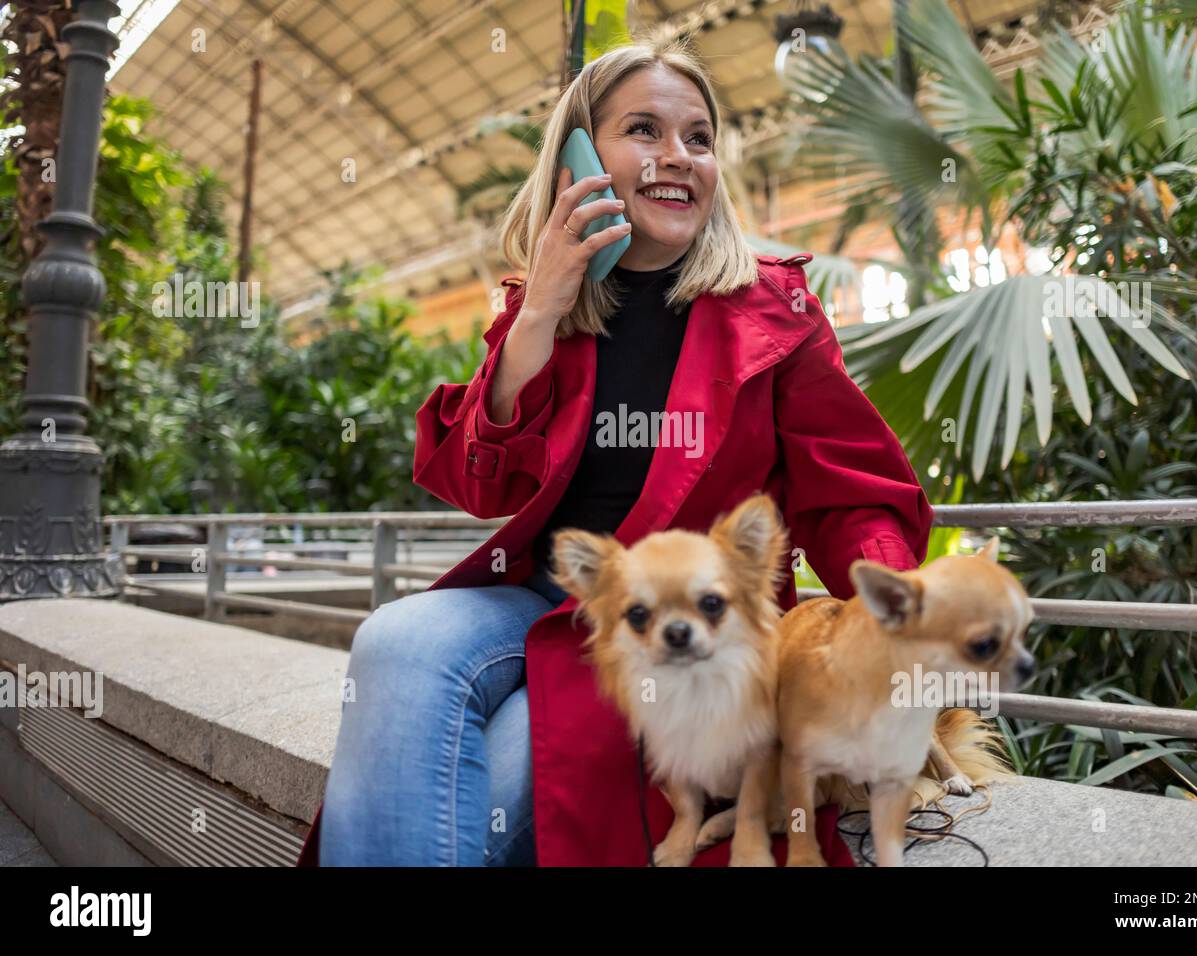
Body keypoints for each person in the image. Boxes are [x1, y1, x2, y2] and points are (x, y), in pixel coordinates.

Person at [306, 31, 933, 867]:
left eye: (699, 138)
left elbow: (853, 489)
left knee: (486, 796)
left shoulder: (777, 312)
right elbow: (474, 485)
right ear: (578, 159)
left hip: (681, 624)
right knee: (392, 637)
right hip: (541, 595)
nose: (678, 156)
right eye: (643, 130)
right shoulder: (542, 306)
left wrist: (882, 610)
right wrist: (536, 318)